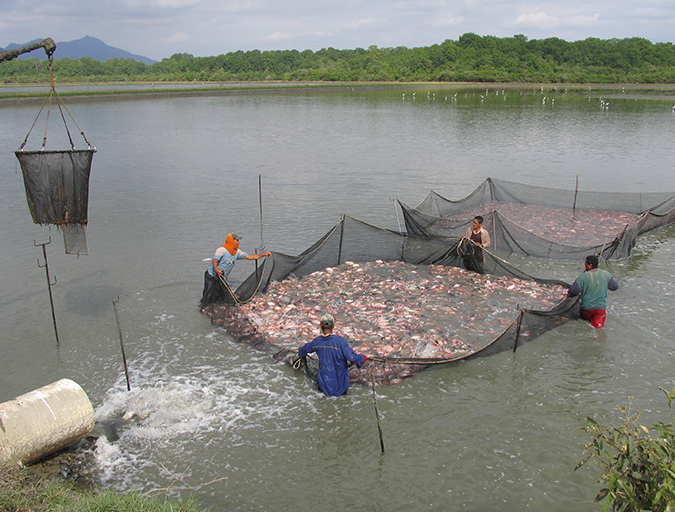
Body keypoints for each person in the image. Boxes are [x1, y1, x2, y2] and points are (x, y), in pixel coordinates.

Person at [295, 314, 367, 397]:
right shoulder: (340, 341)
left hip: (323, 385)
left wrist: (300, 352)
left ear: (320, 326)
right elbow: (352, 357)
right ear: (333, 326)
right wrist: (362, 358)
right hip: (340, 387)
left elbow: (305, 349)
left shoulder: (317, 342)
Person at [200, 233, 272, 308]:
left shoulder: (237, 252)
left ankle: (219, 307)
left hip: (222, 277)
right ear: (231, 240)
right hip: (212, 276)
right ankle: (204, 306)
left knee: (223, 296)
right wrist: (216, 269)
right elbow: (215, 261)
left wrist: (263, 254)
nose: (238, 242)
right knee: (208, 294)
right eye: (237, 240)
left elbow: (250, 256)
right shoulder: (222, 250)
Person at [568, 255, 619, 329]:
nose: (585, 265)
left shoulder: (583, 277)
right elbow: (615, 287)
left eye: (586, 264)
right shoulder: (606, 274)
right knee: (598, 330)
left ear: (590, 265)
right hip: (600, 310)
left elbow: (573, 292)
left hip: (586, 309)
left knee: (584, 327)